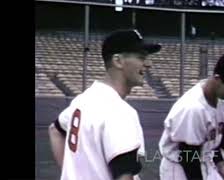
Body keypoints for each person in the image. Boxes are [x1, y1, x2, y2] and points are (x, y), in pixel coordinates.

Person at [48, 29, 161, 180]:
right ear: (118, 61)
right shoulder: (120, 111)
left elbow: (54, 130)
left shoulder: (83, 99)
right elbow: (124, 175)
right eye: (141, 57)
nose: (148, 64)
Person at [158, 50, 224, 180]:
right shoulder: (193, 108)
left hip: (204, 161)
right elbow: (188, 157)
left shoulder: (219, 100)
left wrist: (220, 163)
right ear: (217, 79)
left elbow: (214, 137)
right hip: (179, 168)